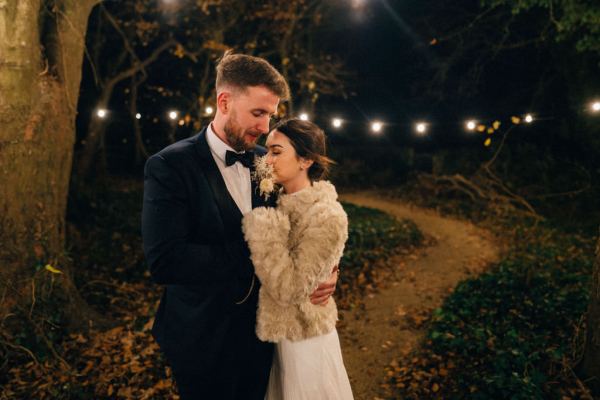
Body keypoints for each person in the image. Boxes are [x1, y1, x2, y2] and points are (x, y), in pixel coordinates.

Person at [141, 52, 338, 399]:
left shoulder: (267, 160)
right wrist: (259, 257)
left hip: (263, 338)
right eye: (258, 113)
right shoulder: (170, 166)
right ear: (224, 101)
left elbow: (302, 220)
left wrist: (326, 266)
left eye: (270, 116)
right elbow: (165, 261)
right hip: (202, 338)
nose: (265, 127)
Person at [242, 118, 354, 400]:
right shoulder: (273, 200)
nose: (266, 159)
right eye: (266, 150)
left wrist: (264, 228)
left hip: (304, 341)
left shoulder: (327, 215)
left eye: (276, 152)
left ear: (305, 160)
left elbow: (290, 289)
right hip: (271, 340)